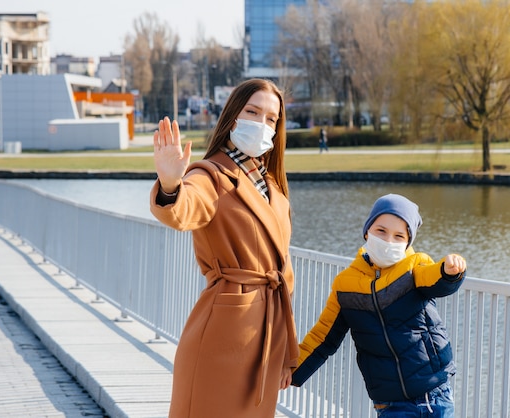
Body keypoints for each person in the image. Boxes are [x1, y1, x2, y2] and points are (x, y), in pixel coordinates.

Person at [150, 78, 299, 417]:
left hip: (267, 337)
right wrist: (172, 183)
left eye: (271, 119)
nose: (262, 124)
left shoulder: (273, 187)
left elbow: (283, 272)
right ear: (233, 116)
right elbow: (184, 209)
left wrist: (288, 353)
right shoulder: (211, 175)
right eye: (253, 112)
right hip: (223, 333)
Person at [291, 193, 466, 417]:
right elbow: (322, 338)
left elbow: (435, 279)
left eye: (399, 236)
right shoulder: (345, 284)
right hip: (390, 403)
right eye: (381, 231)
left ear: (408, 242)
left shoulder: (415, 267)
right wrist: (292, 372)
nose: (388, 241)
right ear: (367, 231)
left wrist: (449, 271)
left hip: (433, 393)